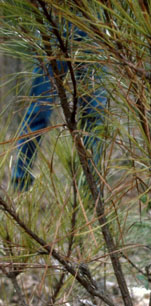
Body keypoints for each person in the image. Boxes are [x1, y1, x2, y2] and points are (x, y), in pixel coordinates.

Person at [11, 28, 107, 191]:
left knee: (94, 112)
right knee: (40, 110)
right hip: (53, 26)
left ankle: (91, 190)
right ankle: (20, 182)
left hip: (91, 25)